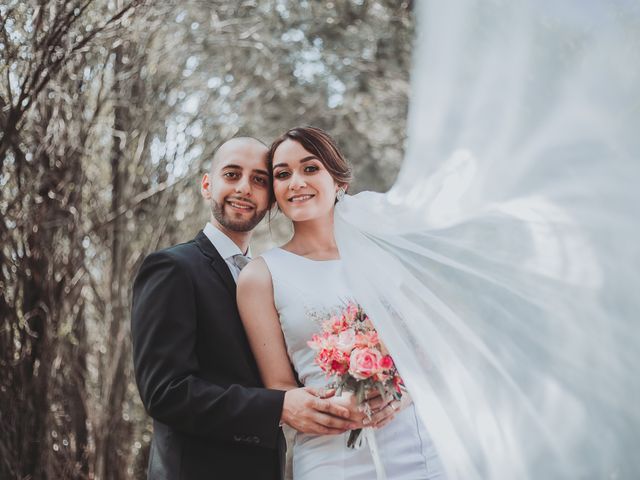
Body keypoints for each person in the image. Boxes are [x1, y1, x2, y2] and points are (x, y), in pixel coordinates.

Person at [131, 137, 368, 480]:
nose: (245, 188)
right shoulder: (173, 268)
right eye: (231, 175)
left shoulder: (270, 276)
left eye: (259, 179)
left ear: (271, 198)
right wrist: (278, 406)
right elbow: (164, 392)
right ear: (207, 185)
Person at [237, 127, 447, 479]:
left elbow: (431, 354)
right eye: (283, 174)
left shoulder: (390, 254)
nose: (296, 182)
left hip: (416, 444)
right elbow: (279, 387)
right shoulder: (261, 276)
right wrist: (335, 408)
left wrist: (399, 395)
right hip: (332, 456)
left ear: (339, 182)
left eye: (310, 168)